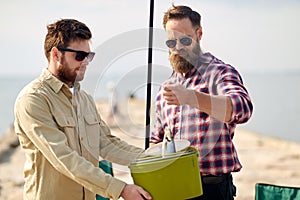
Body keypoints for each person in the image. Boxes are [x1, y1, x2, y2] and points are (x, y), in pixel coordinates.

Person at [14, 19, 152, 200]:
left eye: (89, 55)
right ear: (56, 55)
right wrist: (120, 189)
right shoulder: (33, 99)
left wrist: (152, 157)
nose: (86, 62)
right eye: (79, 56)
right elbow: (63, 158)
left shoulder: (84, 99)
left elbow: (107, 144)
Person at [150, 4, 253, 200]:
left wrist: (190, 97)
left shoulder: (220, 72)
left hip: (213, 190)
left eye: (185, 40)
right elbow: (156, 140)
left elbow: (243, 108)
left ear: (199, 34)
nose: (178, 47)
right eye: (171, 42)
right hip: (173, 188)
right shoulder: (167, 87)